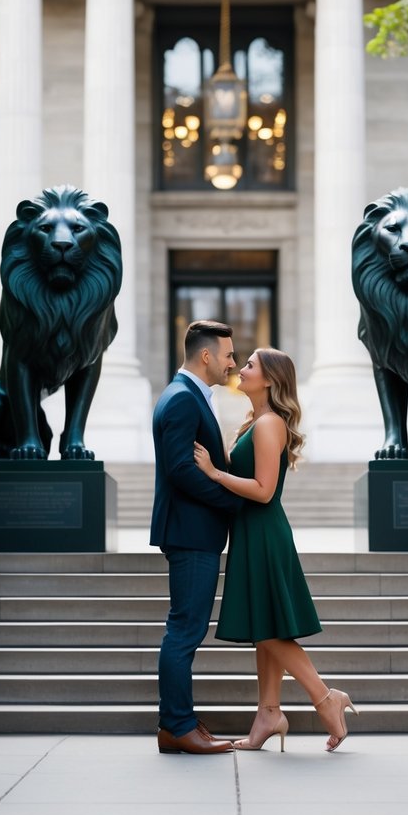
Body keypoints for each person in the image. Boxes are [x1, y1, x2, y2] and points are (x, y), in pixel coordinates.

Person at [194, 347, 358, 753]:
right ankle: (268, 713)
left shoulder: (269, 424)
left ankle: (325, 697)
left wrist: (214, 473)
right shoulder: (258, 422)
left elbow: (264, 492)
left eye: (249, 365)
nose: (240, 369)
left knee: (270, 630)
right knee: (265, 628)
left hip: (264, 531)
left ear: (269, 379)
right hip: (252, 533)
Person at [150, 319, 241, 754]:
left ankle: (181, 721)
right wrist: (232, 501)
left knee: (186, 629)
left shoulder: (187, 395)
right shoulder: (184, 399)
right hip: (190, 533)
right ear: (206, 356)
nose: (232, 362)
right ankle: (176, 726)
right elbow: (181, 469)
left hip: (194, 532)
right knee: (185, 631)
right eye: (227, 354)